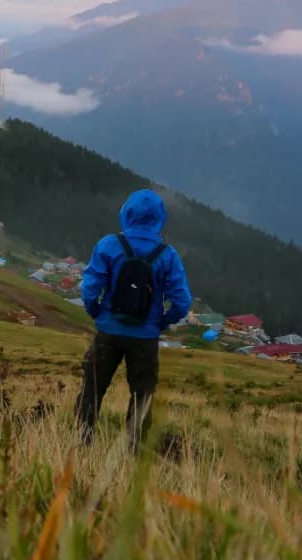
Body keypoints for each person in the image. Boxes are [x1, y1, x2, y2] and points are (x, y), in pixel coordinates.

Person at [74, 189, 192, 452]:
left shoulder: (109, 245)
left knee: (93, 388)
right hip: (145, 338)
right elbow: (182, 302)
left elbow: (89, 289)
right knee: (142, 396)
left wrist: (97, 313)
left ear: (126, 212)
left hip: (108, 332)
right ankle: (133, 451)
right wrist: (161, 322)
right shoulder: (167, 254)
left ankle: (82, 444)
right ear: (160, 218)